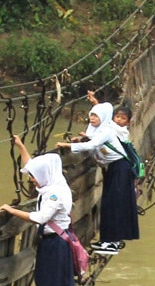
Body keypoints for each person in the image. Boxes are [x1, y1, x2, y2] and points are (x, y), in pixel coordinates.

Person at [0, 137, 76, 286]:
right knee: (55, 285)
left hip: (55, 244)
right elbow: (31, 165)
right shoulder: (56, 182)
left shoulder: (53, 194)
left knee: (48, 285)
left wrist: (12, 210)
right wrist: (21, 146)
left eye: (34, 177)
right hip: (57, 241)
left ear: (44, 174)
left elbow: (41, 218)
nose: (32, 180)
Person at [56, 105, 141, 255]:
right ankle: (107, 240)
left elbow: (93, 144)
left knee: (113, 204)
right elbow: (92, 141)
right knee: (109, 204)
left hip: (120, 169)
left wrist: (68, 145)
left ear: (104, 117)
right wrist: (82, 139)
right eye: (92, 115)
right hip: (114, 169)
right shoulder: (101, 131)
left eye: (97, 116)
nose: (93, 119)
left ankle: (111, 242)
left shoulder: (107, 131)